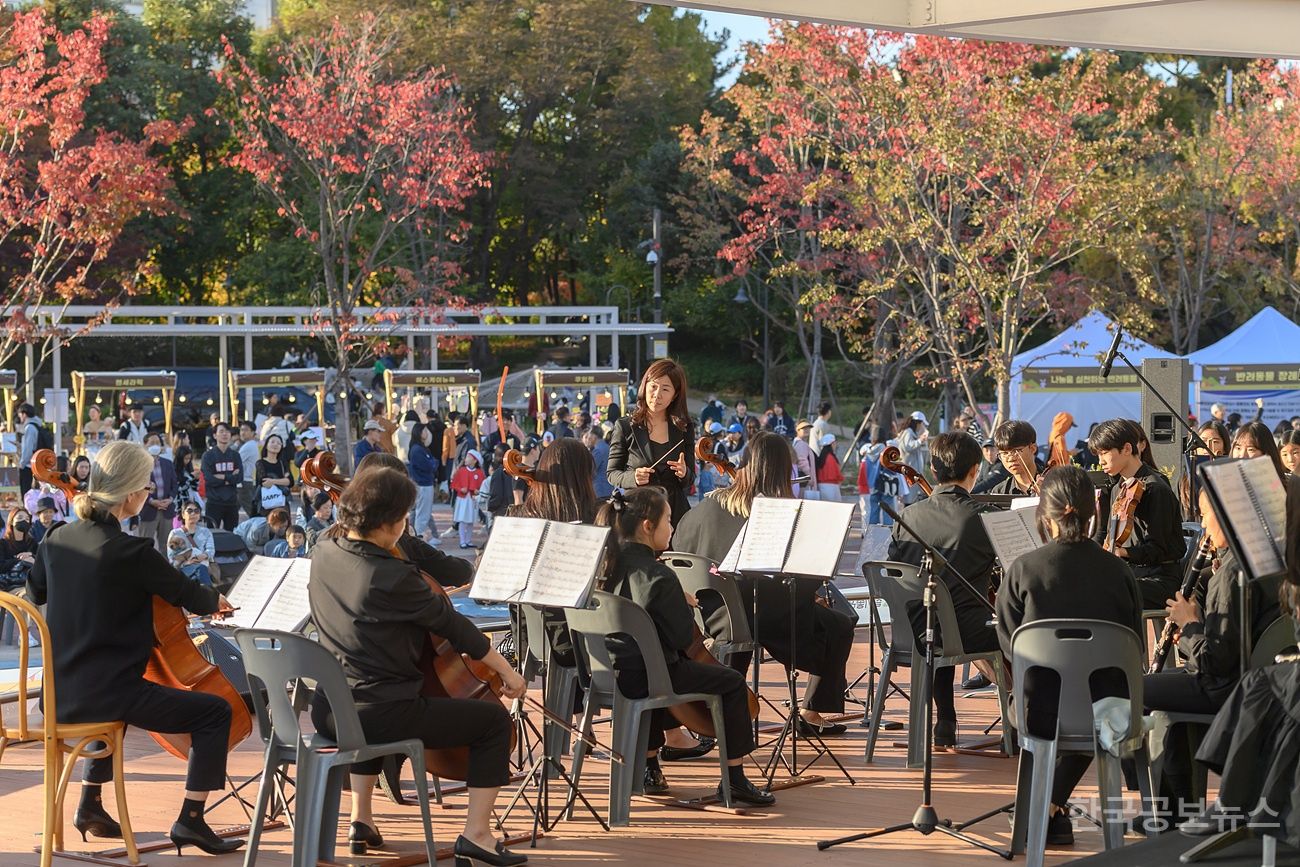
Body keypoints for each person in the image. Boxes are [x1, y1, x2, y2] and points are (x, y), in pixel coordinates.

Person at [27, 440, 242, 855]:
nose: (147, 495)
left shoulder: (56, 537)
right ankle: (191, 820)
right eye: (145, 488)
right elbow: (188, 593)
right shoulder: (133, 552)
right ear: (129, 495)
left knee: (116, 692)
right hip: (109, 695)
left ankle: (90, 803)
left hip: (58, 694)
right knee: (216, 711)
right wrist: (218, 601)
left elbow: (34, 590)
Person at [307, 466, 526, 864]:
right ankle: (477, 834)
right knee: (494, 723)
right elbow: (454, 627)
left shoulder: (324, 550)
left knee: (370, 691)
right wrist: (508, 672)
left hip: (329, 711)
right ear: (391, 524)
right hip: (380, 714)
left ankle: (362, 817)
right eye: (405, 516)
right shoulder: (390, 575)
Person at [994, 466, 1143, 846]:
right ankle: (1053, 810)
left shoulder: (1023, 570)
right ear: (1094, 513)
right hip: (1110, 713)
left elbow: (1011, 643)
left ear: (1044, 514)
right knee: (1095, 707)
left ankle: (1044, 808)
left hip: (1037, 712)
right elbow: (1134, 643)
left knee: (1055, 704)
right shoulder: (1119, 571)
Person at [599, 486, 775, 806]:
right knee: (731, 682)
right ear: (647, 526)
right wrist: (685, 605)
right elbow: (681, 639)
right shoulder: (658, 575)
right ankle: (734, 778)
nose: (673, 526)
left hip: (603, 676)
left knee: (650, 664)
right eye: (668, 519)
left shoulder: (602, 566)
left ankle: (649, 767)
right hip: (649, 679)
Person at [673, 431, 856, 738]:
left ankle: (717, 715)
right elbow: (799, 576)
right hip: (764, 615)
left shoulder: (702, 510)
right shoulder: (778, 514)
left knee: (744, 619)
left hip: (708, 615)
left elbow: (679, 550)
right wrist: (811, 596)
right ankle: (810, 710)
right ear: (782, 471)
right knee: (839, 624)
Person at [1138, 485, 1281, 830]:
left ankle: (1169, 811)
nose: (1202, 525)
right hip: (1259, 680)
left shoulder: (1232, 575)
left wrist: (1189, 626)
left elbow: (1213, 662)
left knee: (1136, 688)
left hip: (1228, 688)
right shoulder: (1266, 557)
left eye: (1205, 515)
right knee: (1171, 702)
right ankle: (1179, 809)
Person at [887, 431, 1000, 748]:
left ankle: (946, 721)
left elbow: (895, 572)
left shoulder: (906, 516)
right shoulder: (981, 517)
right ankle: (1023, 724)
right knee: (1019, 633)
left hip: (911, 633)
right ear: (975, 470)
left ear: (934, 471)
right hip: (964, 633)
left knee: (936, 613)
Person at [1088, 419, 1186, 609]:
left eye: (1104, 452)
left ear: (1126, 448)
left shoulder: (1156, 489)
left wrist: (1123, 552)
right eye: (1098, 454)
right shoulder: (1118, 488)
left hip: (1159, 578)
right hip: (1131, 573)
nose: (1100, 461)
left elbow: (1159, 548)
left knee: (1104, 592)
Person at [607, 359, 694, 527]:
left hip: (674, 514)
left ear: (675, 395)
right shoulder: (625, 426)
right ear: (645, 385)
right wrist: (633, 477)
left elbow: (690, 480)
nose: (657, 394)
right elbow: (612, 473)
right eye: (653, 386)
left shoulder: (684, 428)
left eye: (666, 389)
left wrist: (684, 472)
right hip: (638, 511)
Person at [137, 432, 177, 552]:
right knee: (145, 545)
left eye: (158, 443)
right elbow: (137, 487)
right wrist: (151, 500)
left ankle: (165, 569)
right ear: (145, 445)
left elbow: (174, 484)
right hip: (148, 510)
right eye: (152, 443)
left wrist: (170, 499)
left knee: (167, 545)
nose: (155, 445)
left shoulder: (168, 464)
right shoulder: (140, 465)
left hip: (167, 509)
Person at [985, 420, 1044, 497]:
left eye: (1016, 451)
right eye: (1004, 453)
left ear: (1032, 448)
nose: (1010, 459)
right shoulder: (999, 492)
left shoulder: (1055, 483)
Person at [202, 422, 242, 531]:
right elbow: (209, 479)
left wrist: (221, 477)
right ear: (215, 435)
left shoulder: (235, 455)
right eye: (221, 431)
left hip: (232, 502)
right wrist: (229, 478)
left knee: (232, 534)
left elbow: (239, 478)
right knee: (212, 534)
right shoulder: (208, 456)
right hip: (214, 501)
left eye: (227, 432)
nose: (225, 434)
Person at [168, 502, 217, 586]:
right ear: (183, 514)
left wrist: (203, 556)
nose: (193, 513)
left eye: (196, 511)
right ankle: (210, 594)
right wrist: (187, 563)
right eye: (189, 511)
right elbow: (171, 558)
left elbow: (211, 550)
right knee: (200, 571)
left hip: (202, 565)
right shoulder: (175, 533)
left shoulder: (206, 532)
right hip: (183, 568)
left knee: (201, 570)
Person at [408, 423, 439, 541]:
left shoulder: (421, 448)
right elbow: (429, 465)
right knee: (422, 513)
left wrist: (433, 463)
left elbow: (432, 462)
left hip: (423, 483)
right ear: (419, 433)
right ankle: (419, 536)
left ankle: (417, 535)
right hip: (423, 484)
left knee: (419, 512)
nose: (426, 433)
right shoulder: (417, 449)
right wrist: (433, 463)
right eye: (424, 431)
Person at [451, 449, 485, 549]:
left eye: (468, 457)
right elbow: (454, 484)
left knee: (471, 520)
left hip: (472, 499)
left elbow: (482, 486)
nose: (466, 459)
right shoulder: (461, 471)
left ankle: (468, 540)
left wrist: (478, 491)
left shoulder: (479, 473)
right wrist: (460, 489)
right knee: (462, 519)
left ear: (475, 460)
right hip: (463, 499)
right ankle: (462, 541)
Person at [255, 433, 294, 517]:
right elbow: (264, 482)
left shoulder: (283, 463)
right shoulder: (260, 463)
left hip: (282, 504)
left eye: (279, 443)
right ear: (266, 445)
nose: (275, 444)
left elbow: (290, 481)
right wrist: (282, 481)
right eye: (272, 442)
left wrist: (273, 480)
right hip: (266, 503)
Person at [0, 507, 36, 589]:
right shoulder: (2, 543)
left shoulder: (32, 542)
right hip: (9, 585)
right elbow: (1, 566)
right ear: (11, 521)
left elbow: (41, 561)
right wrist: (19, 559)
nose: (24, 521)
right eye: (20, 518)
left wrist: (32, 556)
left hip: (31, 584)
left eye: (27, 519)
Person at [897, 411, 930, 502]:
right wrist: (920, 440)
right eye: (921, 424)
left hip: (912, 469)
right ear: (917, 423)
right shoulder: (908, 432)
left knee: (913, 496)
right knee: (910, 497)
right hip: (909, 469)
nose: (921, 426)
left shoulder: (910, 432)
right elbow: (908, 447)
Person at [17, 403, 45, 496]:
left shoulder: (29, 428)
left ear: (24, 414)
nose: (20, 417)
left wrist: (22, 464)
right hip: (38, 464)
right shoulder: (38, 425)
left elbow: (28, 449)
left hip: (29, 466)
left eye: (20, 415)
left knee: (27, 493)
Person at [585, 428, 613, 498]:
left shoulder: (598, 450)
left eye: (589, 436)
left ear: (594, 436)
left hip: (599, 488)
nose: (588, 439)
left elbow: (591, 469)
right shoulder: (607, 447)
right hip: (609, 487)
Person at [814, 434, 843, 501]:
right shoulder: (830, 458)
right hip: (832, 486)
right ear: (832, 444)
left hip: (822, 486)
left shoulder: (822, 457)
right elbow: (836, 474)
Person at [793, 421, 817, 498]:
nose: (807, 430)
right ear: (798, 430)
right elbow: (802, 462)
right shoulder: (801, 444)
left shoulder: (797, 443)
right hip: (805, 480)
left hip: (801, 480)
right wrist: (809, 476)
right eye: (803, 428)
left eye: (808, 428)